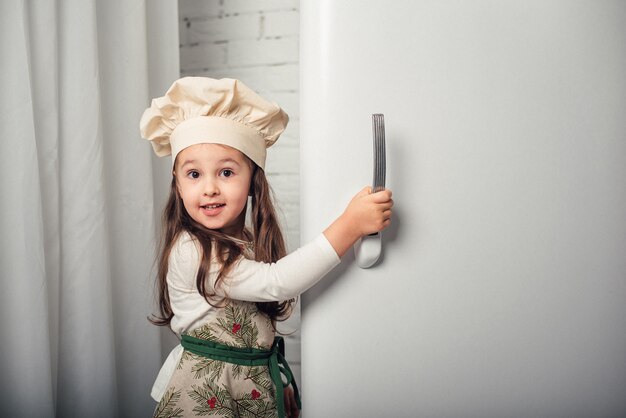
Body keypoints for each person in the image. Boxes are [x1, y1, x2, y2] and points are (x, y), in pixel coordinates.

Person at [140, 77, 393, 418]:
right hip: (208, 397)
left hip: (246, 385)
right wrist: (349, 225)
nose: (210, 188)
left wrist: (272, 376)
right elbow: (276, 282)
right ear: (178, 184)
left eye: (226, 172)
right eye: (194, 174)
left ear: (251, 182)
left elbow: (253, 332)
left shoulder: (241, 244)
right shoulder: (192, 250)